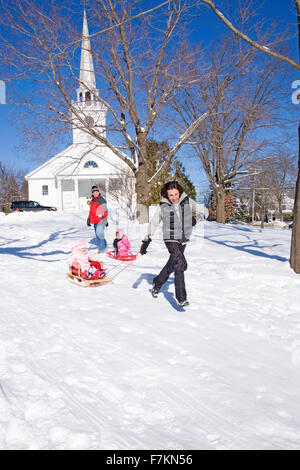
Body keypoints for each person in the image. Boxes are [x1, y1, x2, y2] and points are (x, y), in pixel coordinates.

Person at [140, 181, 208, 308]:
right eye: (171, 195)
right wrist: (147, 240)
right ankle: (181, 298)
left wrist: (197, 218)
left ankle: (157, 282)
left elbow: (205, 211)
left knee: (173, 265)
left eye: (176, 194)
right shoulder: (163, 206)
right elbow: (154, 223)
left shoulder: (187, 201)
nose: (174, 197)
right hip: (170, 238)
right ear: (166, 194)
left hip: (183, 238)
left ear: (180, 192)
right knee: (179, 263)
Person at [87, 186, 108, 253]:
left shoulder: (101, 200)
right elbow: (91, 211)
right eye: (94, 192)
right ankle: (104, 245)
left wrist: (104, 219)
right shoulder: (93, 200)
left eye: (97, 192)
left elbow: (105, 211)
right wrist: (89, 219)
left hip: (101, 220)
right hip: (95, 220)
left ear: (98, 192)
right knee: (98, 234)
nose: (95, 193)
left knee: (99, 234)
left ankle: (102, 249)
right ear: (92, 193)